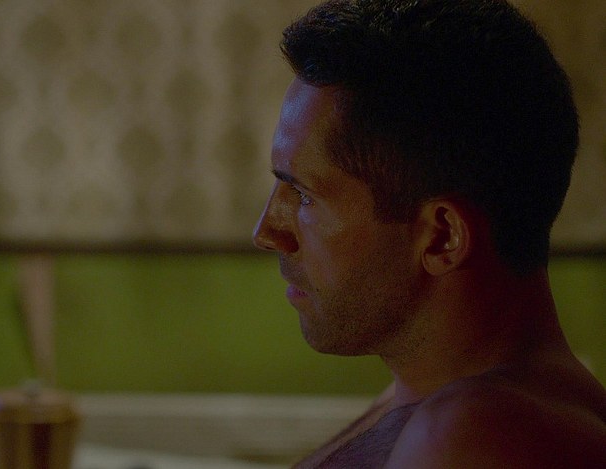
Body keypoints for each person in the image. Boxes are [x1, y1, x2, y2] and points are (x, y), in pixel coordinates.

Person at [251, 0, 606, 467]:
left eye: (303, 194)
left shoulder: (475, 436)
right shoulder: (422, 394)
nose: (267, 232)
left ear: (441, 237)